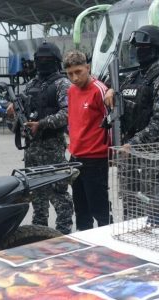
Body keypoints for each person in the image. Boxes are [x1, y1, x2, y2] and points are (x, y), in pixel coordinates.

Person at [104, 25, 159, 221]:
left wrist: (133, 144)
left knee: (153, 214)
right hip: (127, 157)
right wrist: (110, 91)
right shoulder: (131, 77)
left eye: (143, 47)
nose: (138, 51)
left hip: (150, 158)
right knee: (130, 210)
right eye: (137, 47)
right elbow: (120, 102)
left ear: (156, 49)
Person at [8, 42, 74, 234]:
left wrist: (42, 124)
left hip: (52, 146)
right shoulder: (31, 85)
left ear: (56, 62)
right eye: (39, 60)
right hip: (32, 148)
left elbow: (68, 113)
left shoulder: (63, 84)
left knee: (59, 193)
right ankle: (40, 232)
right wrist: (13, 111)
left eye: (47, 60)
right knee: (37, 194)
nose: (42, 63)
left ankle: (63, 233)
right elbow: (22, 110)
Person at [64, 50, 112, 231]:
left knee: (99, 209)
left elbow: (111, 123)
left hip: (96, 159)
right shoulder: (71, 91)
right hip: (76, 157)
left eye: (78, 72)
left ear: (87, 68)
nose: (74, 78)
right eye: (70, 74)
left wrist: (110, 153)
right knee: (81, 210)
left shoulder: (100, 90)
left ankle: (108, 245)